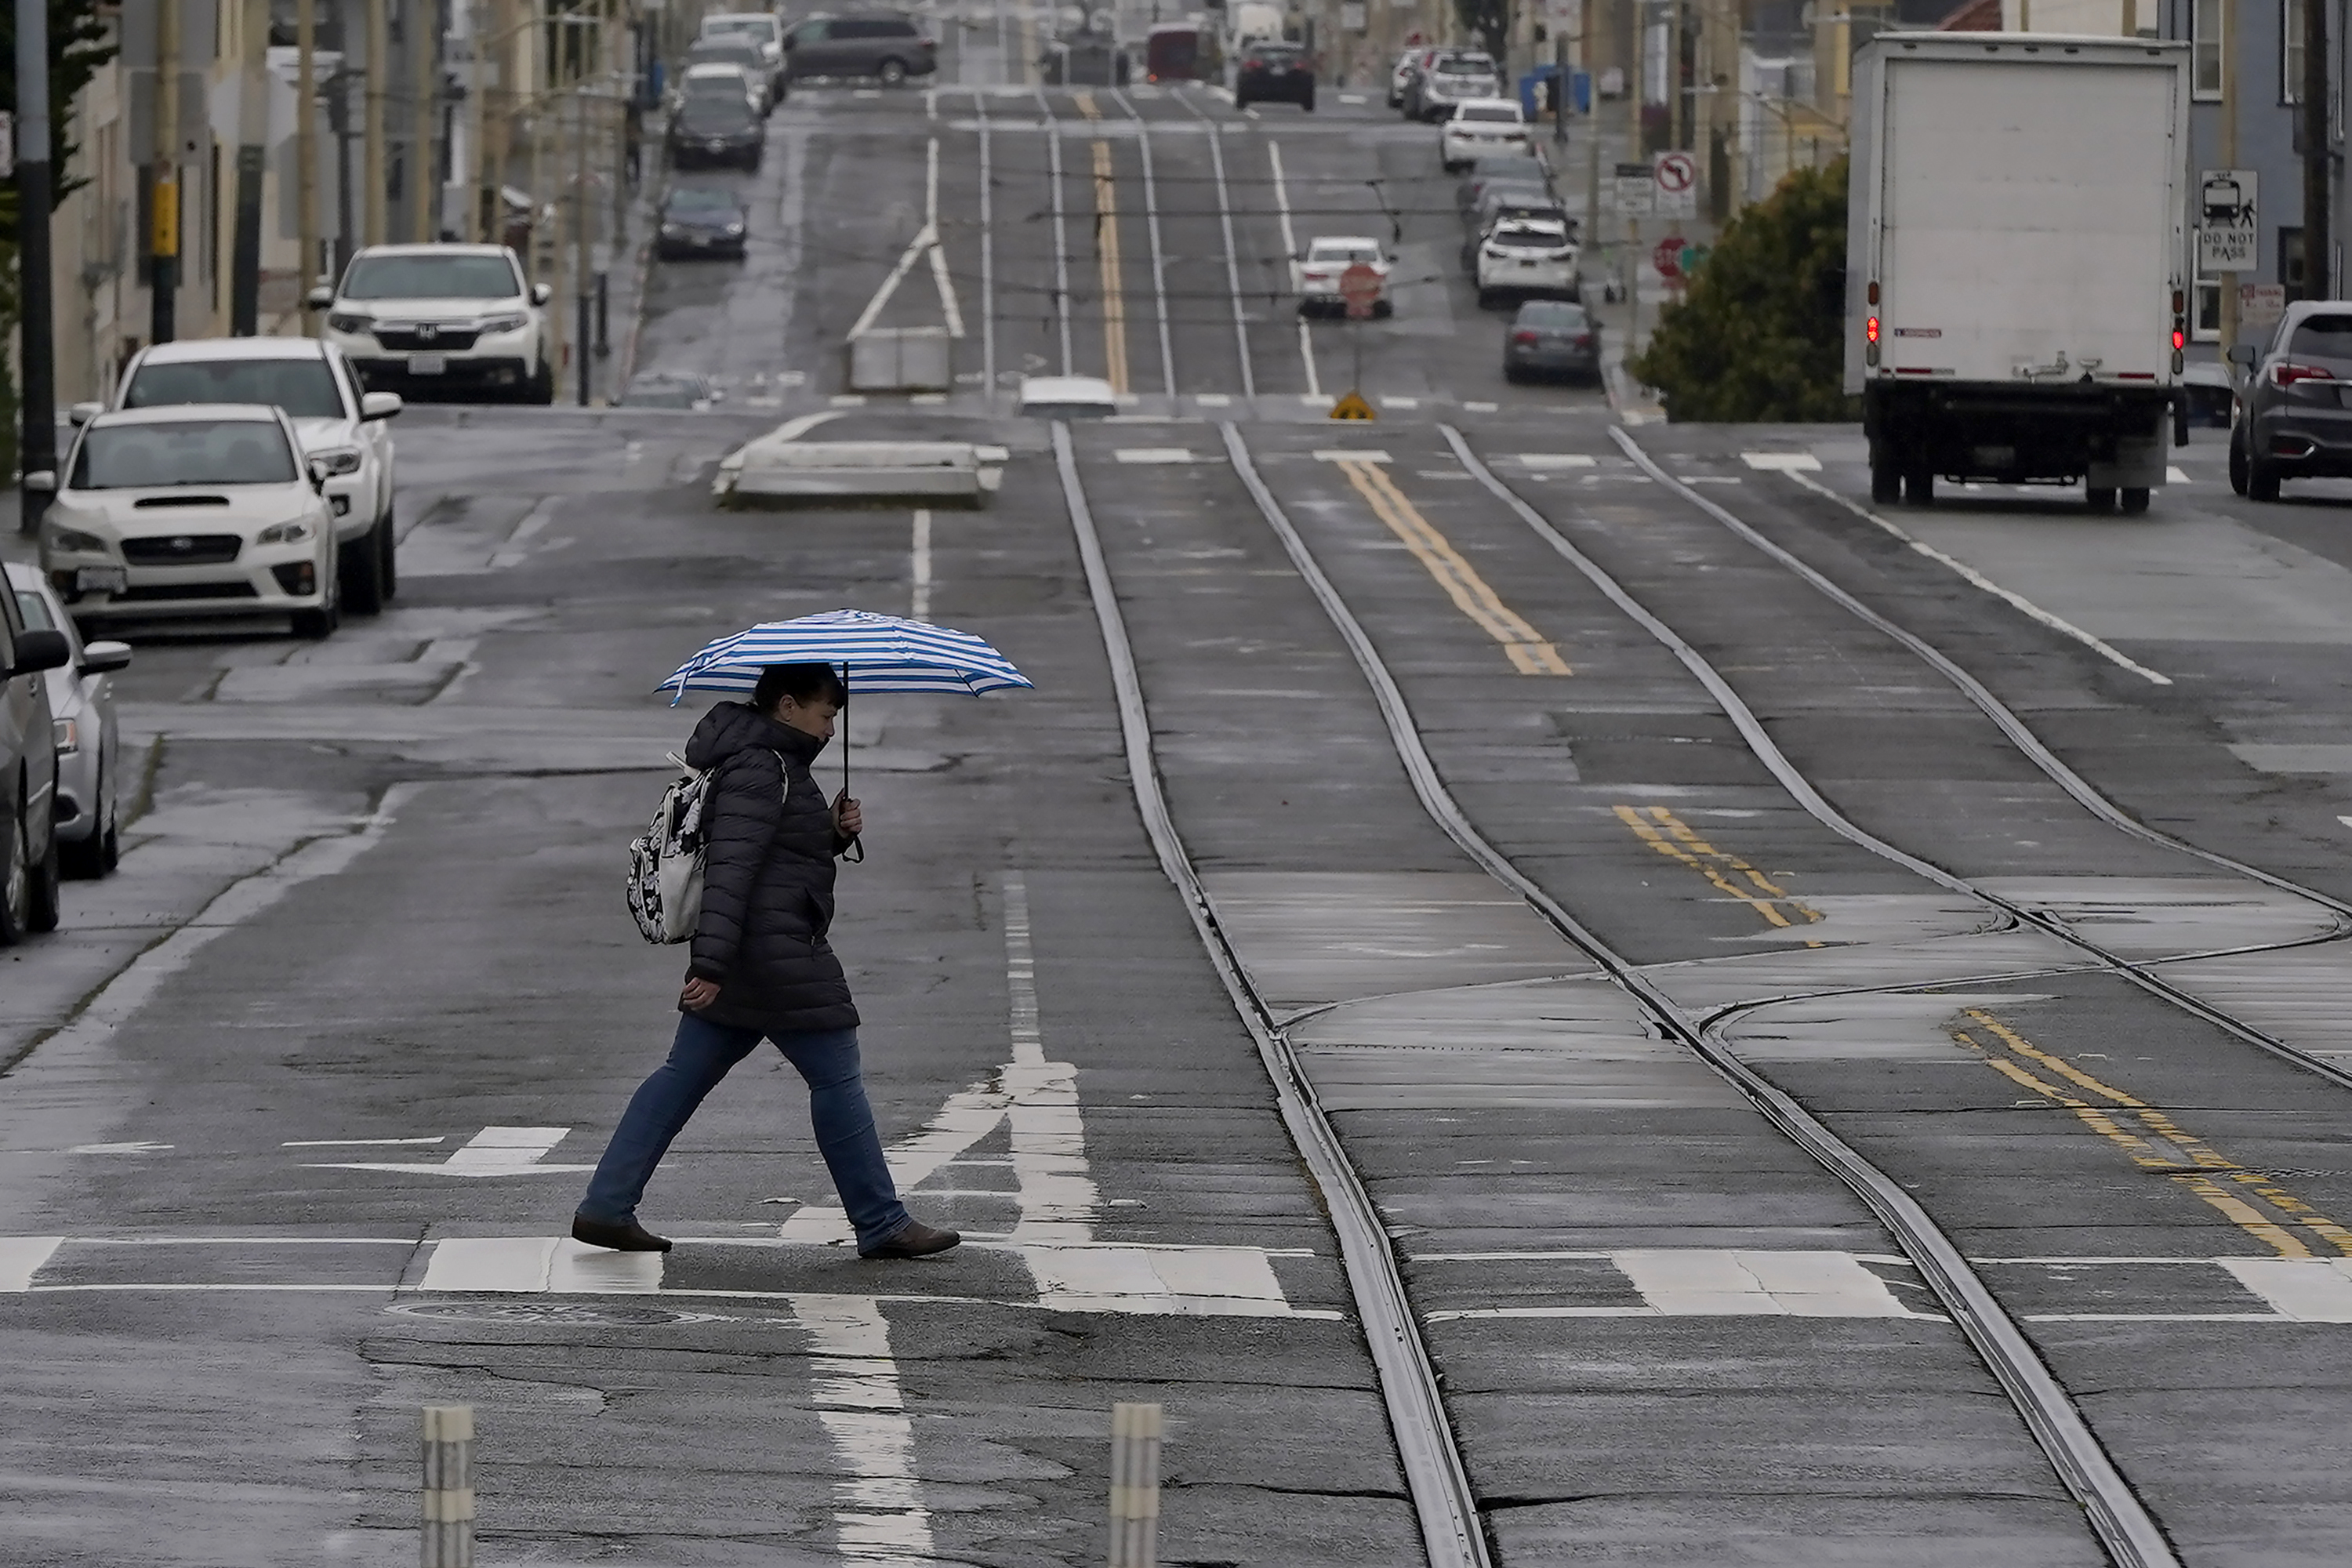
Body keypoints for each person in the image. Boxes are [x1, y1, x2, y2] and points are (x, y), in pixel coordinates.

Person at [573, 663, 959, 1260]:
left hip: (751, 951)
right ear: (787, 706)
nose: (832, 729)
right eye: (826, 715)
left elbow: (775, 851)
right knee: (836, 1075)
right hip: (772, 952)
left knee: (681, 1078)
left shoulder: (771, 762)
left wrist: (830, 830)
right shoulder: (761, 767)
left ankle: (605, 1206)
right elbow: (732, 870)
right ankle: (882, 1222)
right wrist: (710, 966)